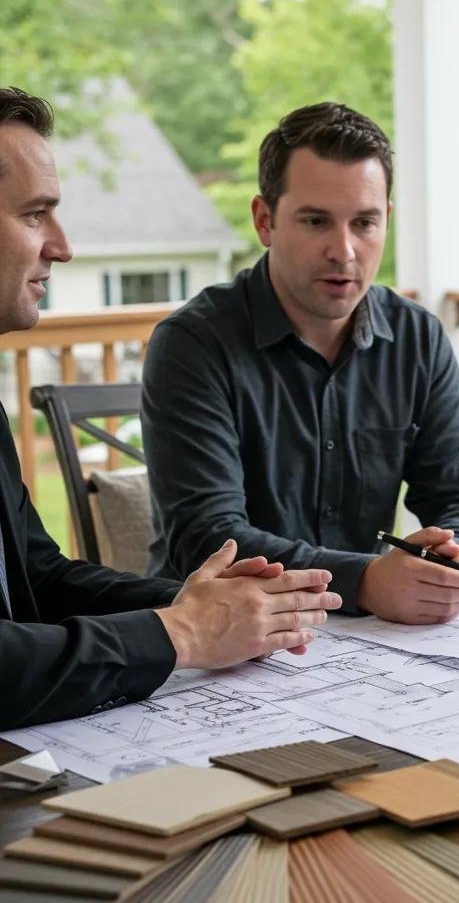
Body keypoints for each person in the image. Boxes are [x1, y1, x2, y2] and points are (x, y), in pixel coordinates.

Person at [0, 87, 342, 732]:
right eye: (34, 215)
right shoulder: (199, 338)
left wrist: (211, 605)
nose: (63, 246)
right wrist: (178, 634)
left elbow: (37, 578)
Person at [141, 102, 459, 626]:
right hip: (217, 644)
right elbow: (206, 537)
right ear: (265, 221)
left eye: (364, 222)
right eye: (316, 222)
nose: (345, 251)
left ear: (387, 221)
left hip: (367, 642)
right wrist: (366, 581)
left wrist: (457, 558)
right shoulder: (193, 344)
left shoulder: (417, 339)